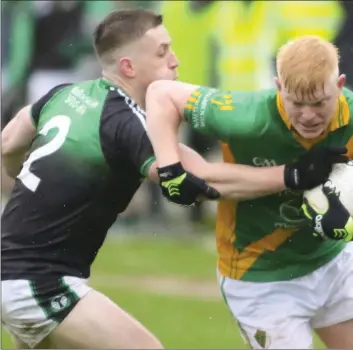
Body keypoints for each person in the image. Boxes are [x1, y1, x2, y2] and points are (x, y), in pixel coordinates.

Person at [1, 9, 334, 349]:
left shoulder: (64, 94)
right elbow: (205, 179)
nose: (174, 60)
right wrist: (293, 175)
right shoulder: (128, 123)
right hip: (38, 282)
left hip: (13, 270)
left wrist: (21, 174)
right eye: (162, 52)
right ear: (129, 67)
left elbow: (9, 142)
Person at [145, 35, 353, 349]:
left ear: (339, 84)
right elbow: (161, 93)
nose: (309, 115)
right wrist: (171, 169)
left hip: (333, 264)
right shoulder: (246, 116)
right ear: (278, 87)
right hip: (260, 278)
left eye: (320, 102)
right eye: (297, 103)